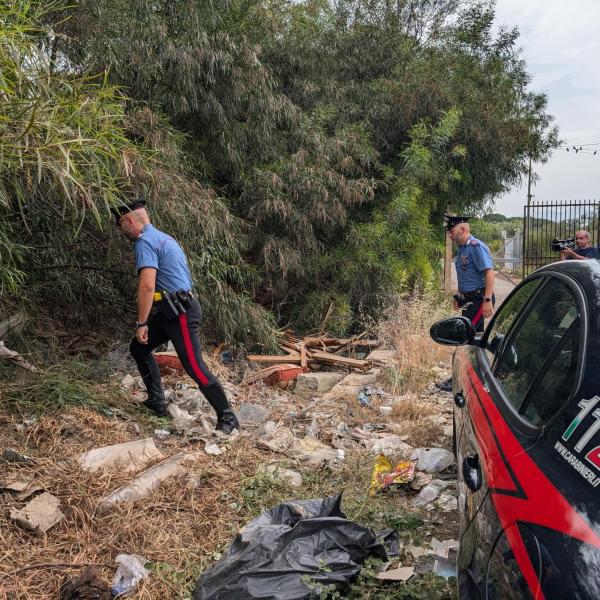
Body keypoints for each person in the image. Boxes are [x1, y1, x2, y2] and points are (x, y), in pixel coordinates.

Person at [114, 199, 240, 434]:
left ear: (130, 220)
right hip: (171, 310)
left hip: (180, 312)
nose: (122, 231)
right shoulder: (164, 237)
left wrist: (141, 323)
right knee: (138, 348)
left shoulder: (145, 242)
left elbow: (147, 286)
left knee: (194, 366)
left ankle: (228, 418)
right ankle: (156, 402)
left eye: (121, 225)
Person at [446, 215, 496, 333]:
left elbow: (489, 272)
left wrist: (487, 300)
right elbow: (465, 276)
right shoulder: (462, 248)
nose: (450, 235)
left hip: (479, 299)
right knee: (475, 336)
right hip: (469, 300)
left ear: (462, 230)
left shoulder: (476, 246)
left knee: (465, 334)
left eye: (451, 231)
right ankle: (476, 352)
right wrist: (459, 297)